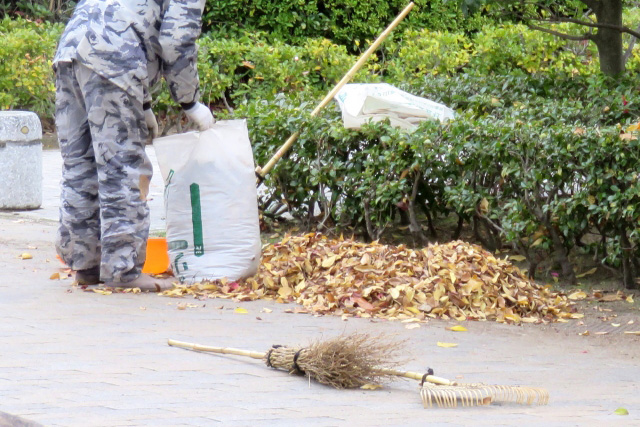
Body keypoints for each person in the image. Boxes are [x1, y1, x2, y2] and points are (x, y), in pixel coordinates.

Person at [53, 0, 215, 291]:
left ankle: (87, 264)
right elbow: (176, 39)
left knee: (80, 163)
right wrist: (190, 100)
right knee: (122, 167)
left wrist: (144, 103)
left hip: (71, 48)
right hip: (114, 55)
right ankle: (122, 271)